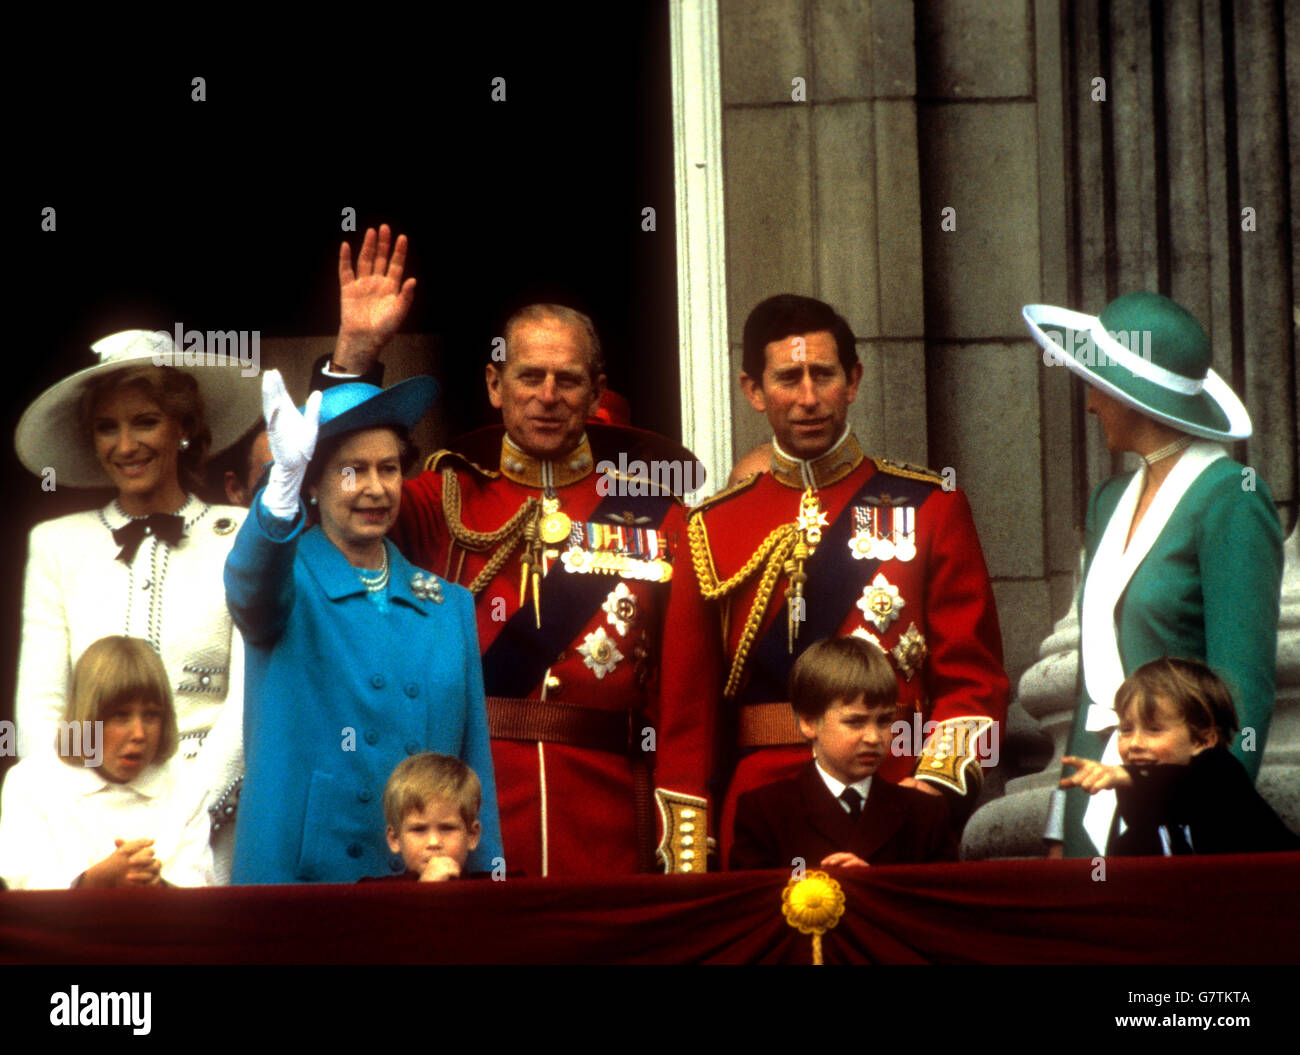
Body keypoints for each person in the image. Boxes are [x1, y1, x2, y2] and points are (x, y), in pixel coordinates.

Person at [312, 225, 712, 877]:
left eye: (568, 379)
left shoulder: (665, 522)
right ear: (495, 384)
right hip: (461, 811)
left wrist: (682, 829)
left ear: (594, 391)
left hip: (611, 817)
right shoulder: (432, 500)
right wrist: (353, 354)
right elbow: (328, 483)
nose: (548, 396)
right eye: (530, 376)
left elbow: (687, 700)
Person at [677, 294, 1008, 863]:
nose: (808, 398)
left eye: (823, 375)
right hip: (759, 809)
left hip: (895, 794)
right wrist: (690, 830)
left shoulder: (928, 505)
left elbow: (973, 681)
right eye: (787, 378)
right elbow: (690, 705)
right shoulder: (712, 524)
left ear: (852, 380)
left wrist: (929, 791)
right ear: (753, 390)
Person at [1023, 292, 1284, 857]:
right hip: (1091, 797)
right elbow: (1096, 681)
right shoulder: (1108, 500)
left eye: (1097, 386)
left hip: (1183, 813)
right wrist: (1058, 822)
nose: (1090, 404)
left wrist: (1210, 819)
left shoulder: (1230, 499)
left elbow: (1241, 688)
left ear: (1130, 395)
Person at [225, 371, 502, 883]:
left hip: (424, 887)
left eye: (389, 469)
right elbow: (249, 584)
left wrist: (485, 885)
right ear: (314, 482)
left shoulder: (448, 606)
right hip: (304, 884)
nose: (375, 488)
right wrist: (279, 490)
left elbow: (472, 769)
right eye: (352, 471)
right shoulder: (286, 582)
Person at [13, 330, 258, 879]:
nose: (125, 446)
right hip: (84, 831)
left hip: (211, 828)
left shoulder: (241, 535)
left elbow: (247, 704)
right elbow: (41, 709)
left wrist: (184, 814)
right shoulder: (57, 544)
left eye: (145, 421)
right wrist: (83, 817)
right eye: (107, 427)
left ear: (184, 428)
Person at [0, 635, 215, 889]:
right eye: (120, 716)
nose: (139, 733)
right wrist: (92, 883)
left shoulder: (186, 786)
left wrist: (156, 886)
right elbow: (23, 884)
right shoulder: (30, 783)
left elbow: (200, 890)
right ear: (87, 719)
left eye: (151, 715)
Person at [729, 637, 956, 871]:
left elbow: (941, 904)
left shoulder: (925, 814)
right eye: (855, 722)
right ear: (808, 722)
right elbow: (752, 903)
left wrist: (870, 885)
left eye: (884, 721)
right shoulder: (765, 812)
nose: (874, 737)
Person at [1060, 658, 1300, 855]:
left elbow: (1187, 788)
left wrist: (1126, 775)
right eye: (1126, 729)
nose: (1134, 744)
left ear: (1203, 740)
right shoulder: (1133, 840)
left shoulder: (1221, 773)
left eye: (1154, 729)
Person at [360, 753, 484, 882]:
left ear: (472, 835)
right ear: (395, 838)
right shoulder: (373, 893)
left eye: (447, 828)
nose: (434, 842)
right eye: (419, 829)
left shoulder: (492, 892)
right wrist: (425, 890)